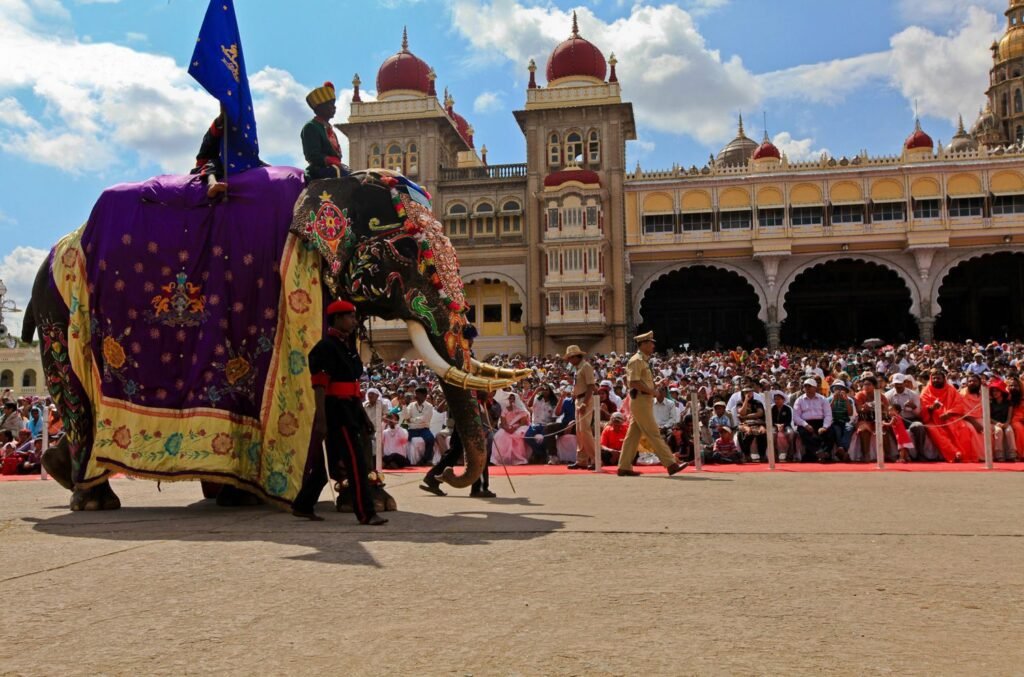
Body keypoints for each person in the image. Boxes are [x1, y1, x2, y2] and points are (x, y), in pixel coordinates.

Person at [292, 299, 386, 525]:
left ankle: (303, 505)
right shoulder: (325, 347)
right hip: (336, 410)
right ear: (337, 319)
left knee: (332, 464)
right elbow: (320, 386)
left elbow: (354, 385)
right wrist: (321, 419)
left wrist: (363, 416)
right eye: (350, 317)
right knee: (356, 461)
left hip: (351, 408)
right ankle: (366, 513)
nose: (354, 321)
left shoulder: (348, 347)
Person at [421, 325, 497, 498]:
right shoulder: (465, 358)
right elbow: (470, 383)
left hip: (459, 409)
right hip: (468, 409)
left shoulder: (454, 356)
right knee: (478, 446)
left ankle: (433, 478)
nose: (471, 342)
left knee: (457, 449)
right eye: (469, 338)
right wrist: (483, 390)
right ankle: (479, 487)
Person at [616, 332, 689, 477]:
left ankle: (624, 466)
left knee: (633, 436)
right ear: (643, 344)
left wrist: (653, 389)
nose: (653, 345)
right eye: (650, 343)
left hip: (644, 399)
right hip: (641, 399)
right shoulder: (636, 360)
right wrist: (653, 391)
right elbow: (633, 382)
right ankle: (670, 463)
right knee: (653, 433)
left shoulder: (643, 360)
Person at [920, 368, 979, 463]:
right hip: (933, 419)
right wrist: (932, 408)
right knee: (934, 431)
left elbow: (959, 405)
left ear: (944, 379)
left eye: (938, 378)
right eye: (934, 378)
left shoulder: (951, 389)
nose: (936, 380)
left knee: (964, 429)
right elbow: (923, 408)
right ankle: (954, 453)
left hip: (951, 416)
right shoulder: (926, 391)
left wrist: (949, 413)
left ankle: (966, 455)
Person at [301, 81, 349, 182]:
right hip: (319, 171)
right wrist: (330, 160)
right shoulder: (311, 127)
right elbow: (312, 155)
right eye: (330, 104)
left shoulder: (329, 129)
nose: (334, 107)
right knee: (347, 177)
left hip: (335, 169)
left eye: (334, 104)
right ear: (319, 107)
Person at [564, 345, 596, 470]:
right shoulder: (577, 368)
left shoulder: (586, 366)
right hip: (578, 399)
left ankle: (594, 459)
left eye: (571, 357)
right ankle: (581, 460)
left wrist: (584, 403)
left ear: (577, 356)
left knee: (585, 430)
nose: (569, 360)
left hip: (584, 399)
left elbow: (591, 386)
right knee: (579, 432)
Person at [793, 378, 833, 463]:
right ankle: (820, 452)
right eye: (805, 386)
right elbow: (796, 417)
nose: (807, 388)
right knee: (803, 432)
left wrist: (824, 427)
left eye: (809, 386)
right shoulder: (799, 400)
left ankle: (824, 452)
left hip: (820, 422)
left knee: (830, 432)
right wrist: (805, 425)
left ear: (815, 388)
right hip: (806, 423)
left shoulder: (823, 399)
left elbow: (828, 415)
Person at [491, 393, 531, 465]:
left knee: (517, 435)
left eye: (513, 398)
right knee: (499, 436)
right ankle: (501, 459)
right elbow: (503, 424)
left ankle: (518, 460)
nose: (511, 400)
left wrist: (514, 428)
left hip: (518, 427)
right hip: (507, 427)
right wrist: (507, 429)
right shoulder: (505, 410)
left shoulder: (521, 410)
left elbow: (523, 423)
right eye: (510, 398)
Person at [405, 386, 435, 465]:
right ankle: (405, 459)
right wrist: (404, 406)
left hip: (423, 429)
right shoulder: (411, 405)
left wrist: (411, 420)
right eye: (415, 393)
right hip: (412, 429)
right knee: (402, 439)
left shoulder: (429, 406)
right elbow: (406, 417)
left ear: (424, 396)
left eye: (418, 394)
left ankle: (426, 459)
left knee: (431, 439)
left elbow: (424, 419)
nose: (415, 396)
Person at [737, 386, 767, 462]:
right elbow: (741, 412)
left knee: (762, 433)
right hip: (745, 424)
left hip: (758, 423)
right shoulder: (740, 403)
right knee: (747, 433)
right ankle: (746, 454)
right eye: (746, 392)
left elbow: (760, 413)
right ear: (743, 394)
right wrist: (746, 401)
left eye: (750, 392)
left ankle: (762, 455)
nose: (748, 394)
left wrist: (746, 416)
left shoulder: (757, 403)